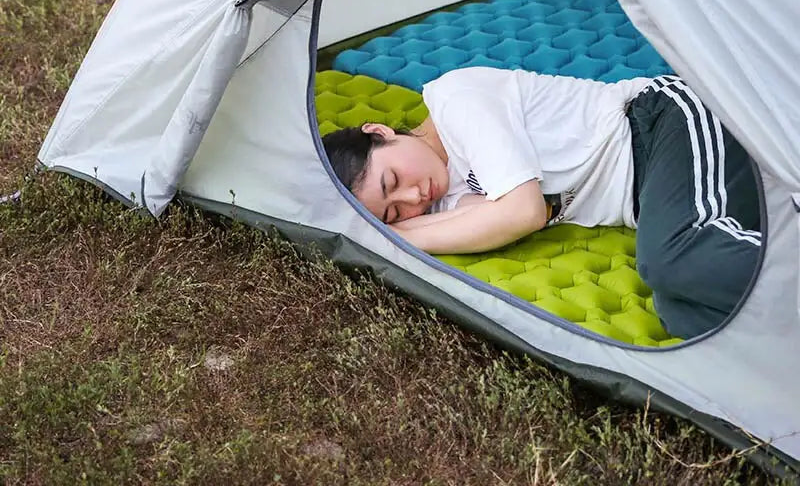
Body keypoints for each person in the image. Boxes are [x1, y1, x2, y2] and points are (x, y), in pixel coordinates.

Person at [322, 67, 762, 338]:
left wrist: (392, 234)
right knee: (683, 313)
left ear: (379, 132)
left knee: (670, 263)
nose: (414, 197)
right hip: (652, 194)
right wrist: (388, 229)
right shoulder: (440, 208)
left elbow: (522, 213)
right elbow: (491, 219)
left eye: (393, 180)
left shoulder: (456, 99)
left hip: (661, 126)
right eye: (396, 211)